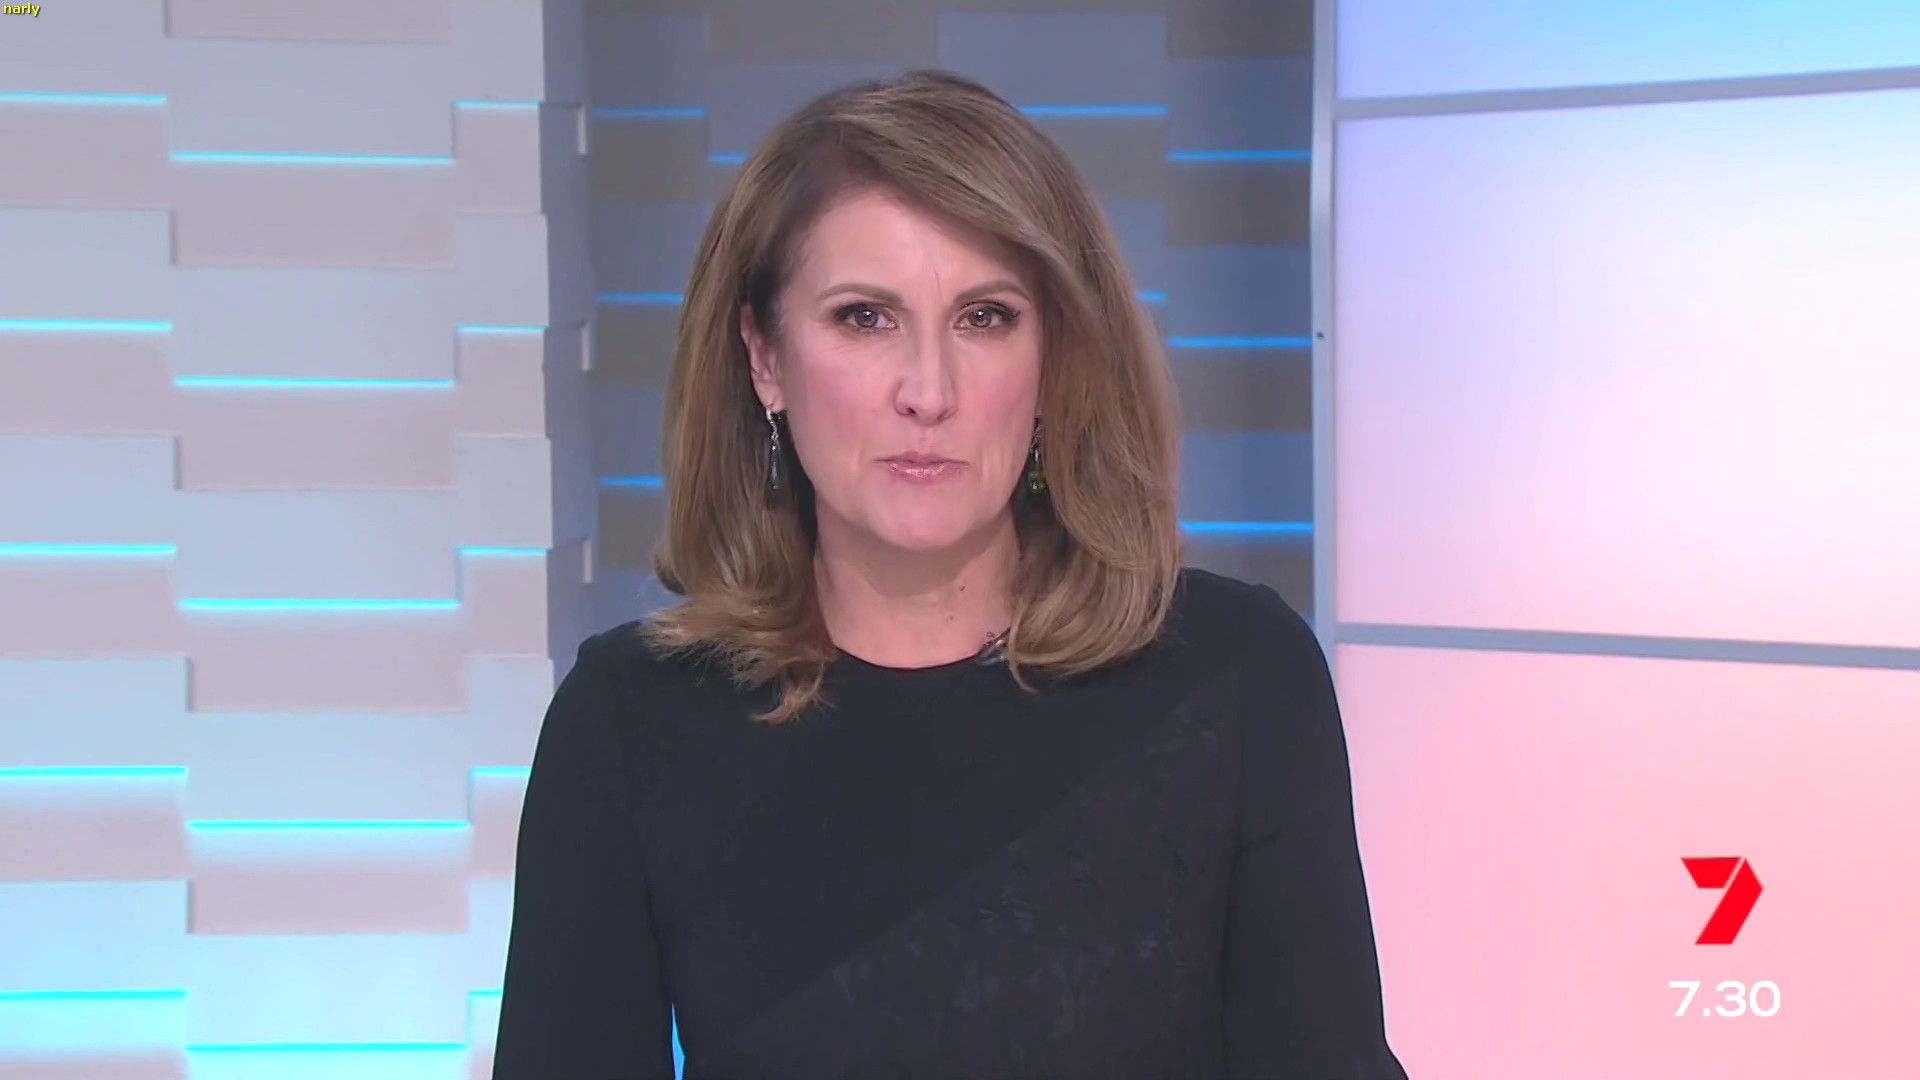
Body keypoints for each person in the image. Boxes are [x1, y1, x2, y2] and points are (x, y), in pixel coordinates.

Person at [492, 68, 1407, 1080]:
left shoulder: (1240, 679)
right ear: (765, 358)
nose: (928, 391)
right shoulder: (627, 727)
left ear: (1054, 357)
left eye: (985, 317)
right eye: (864, 317)